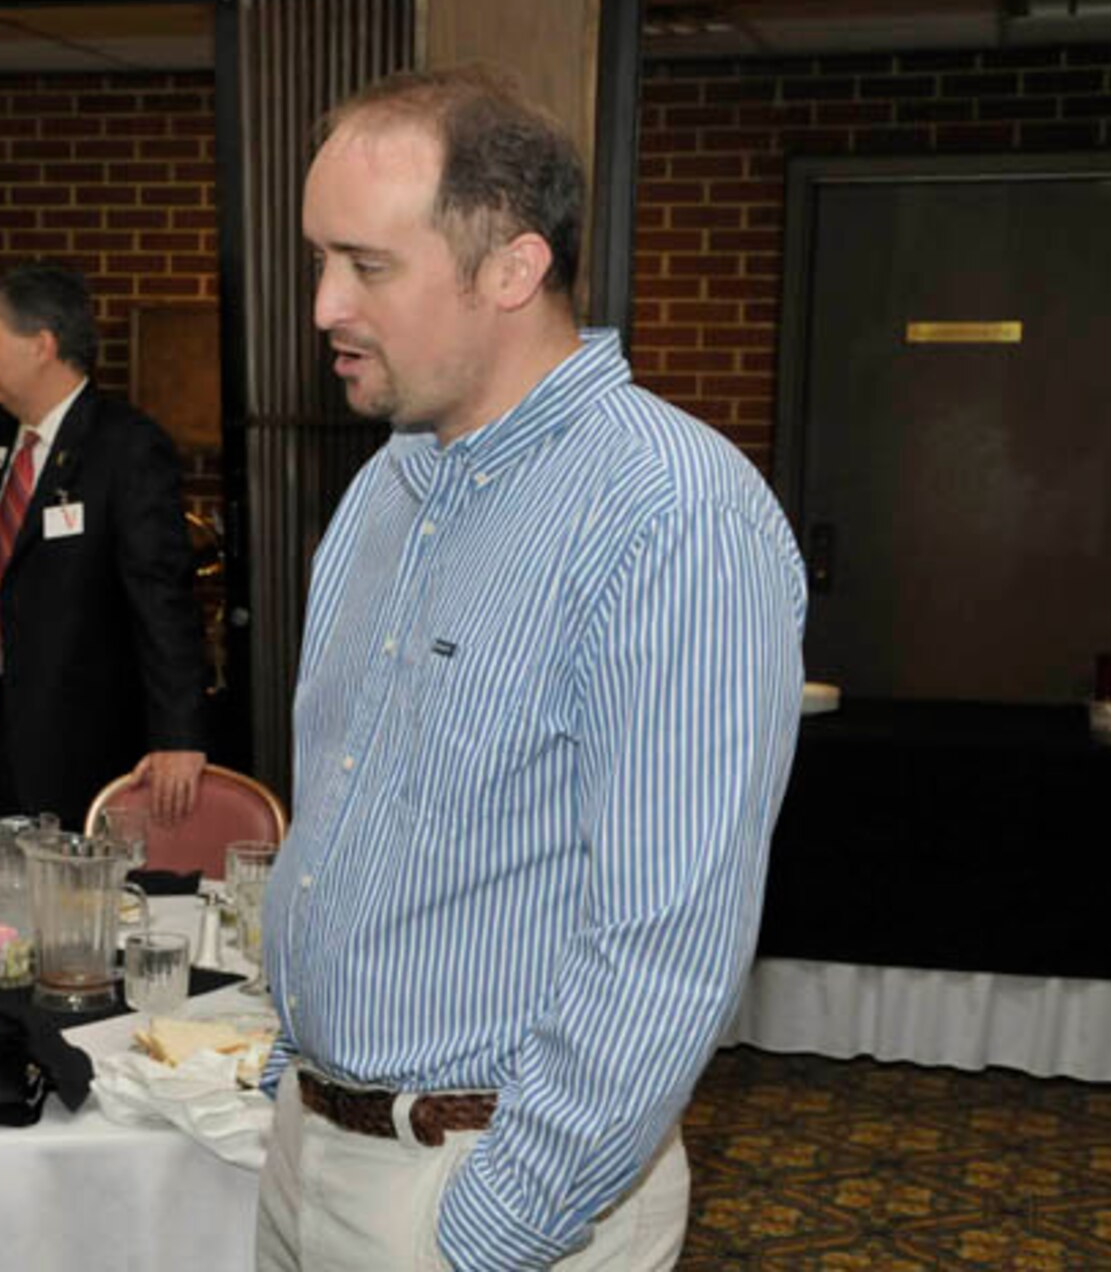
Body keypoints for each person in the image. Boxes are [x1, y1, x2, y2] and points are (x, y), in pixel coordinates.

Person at [258, 67, 806, 1271]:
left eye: (367, 264)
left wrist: (499, 1218)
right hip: (313, 1151)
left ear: (510, 268)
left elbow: (668, 935)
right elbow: (352, 813)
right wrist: (285, 1068)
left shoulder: (670, 512)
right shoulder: (387, 483)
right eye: (319, 259)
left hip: (483, 1194)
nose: (323, 305)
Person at [0, 264, 208, 864]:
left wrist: (178, 736)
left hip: (71, 731)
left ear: (41, 344)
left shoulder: (126, 447)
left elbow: (163, 598)